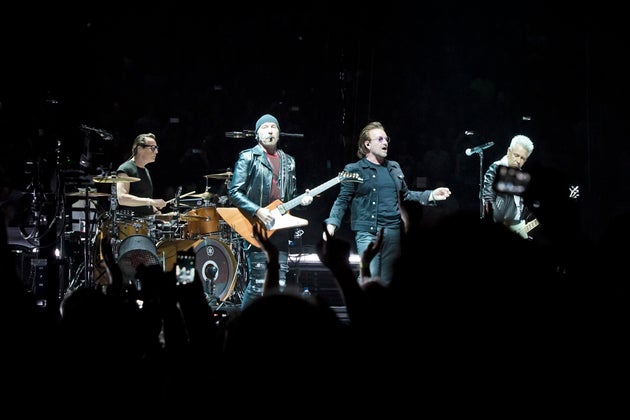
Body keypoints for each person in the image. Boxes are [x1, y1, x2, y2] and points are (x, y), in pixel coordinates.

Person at [324, 121, 452, 287]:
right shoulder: (354, 169)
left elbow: (406, 196)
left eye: (386, 139)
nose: (385, 142)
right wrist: (332, 224)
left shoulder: (394, 167)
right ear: (367, 144)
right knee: (369, 276)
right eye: (380, 139)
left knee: (388, 282)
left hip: (392, 233)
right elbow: (343, 199)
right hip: (368, 232)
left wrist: (431, 195)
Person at [226, 114, 313, 309]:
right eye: (265, 127)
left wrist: (303, 201)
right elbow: (234, 192)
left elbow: (289, 199)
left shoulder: (288, 161)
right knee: (258, 283)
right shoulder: (248, 156)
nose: (270, 130)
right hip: (256, 226)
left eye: (273, 127)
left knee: (278, 284)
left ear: (279, 133)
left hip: (279, 228)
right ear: (257, 134)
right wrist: (257, 210)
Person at [482, 134, 534, 238]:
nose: (518, 161)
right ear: (508, 151)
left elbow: (524, 209)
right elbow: (488, 200)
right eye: (516, 155)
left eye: (523, 158)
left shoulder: (522, 177)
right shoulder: (495, 169)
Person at [116, 133, 167, 217]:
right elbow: (122, 198)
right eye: (153, 148)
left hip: (145, 221)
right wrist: (151, 201)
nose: (156, 152)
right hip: (130, 222)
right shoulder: (126, 168)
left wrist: (154, 209)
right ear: (139, 149)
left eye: (156, 148)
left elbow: (142, 199)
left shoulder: (146, 171)